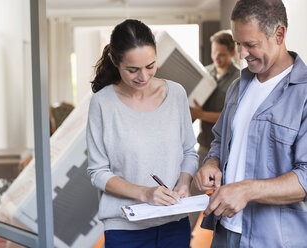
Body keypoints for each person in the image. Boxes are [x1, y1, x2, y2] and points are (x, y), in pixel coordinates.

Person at [193, 0, 307, 247]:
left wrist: (246, 190)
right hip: (224, 231)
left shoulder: (304, 95)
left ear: (279, 34)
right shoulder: (238, 87)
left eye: (250, 45)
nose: (242, 55)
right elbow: (220, 140)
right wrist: (211, 162)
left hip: (274, 239)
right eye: (238, 44)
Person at [86, 19, 199, 248]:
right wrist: (145, 193)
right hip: (125, 228)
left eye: (150, 66)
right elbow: (98, 172)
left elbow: (189, 151)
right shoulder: (102, 103)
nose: (143, 77)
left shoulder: (176, 94)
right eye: (132, 70)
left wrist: (184, 181)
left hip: (173, 224)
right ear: (114, 61)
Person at [189, 30, 240, 232]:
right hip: (204, 147)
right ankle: (185, 238)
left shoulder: (239, 80)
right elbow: (193, 108)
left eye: (222, 54)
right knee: (192, 197)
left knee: (224, 200)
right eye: (214, 53)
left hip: (228, 152)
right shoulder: (204, 75)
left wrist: (200, 113)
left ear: (233, 53)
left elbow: (227, 117)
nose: (216, 58)